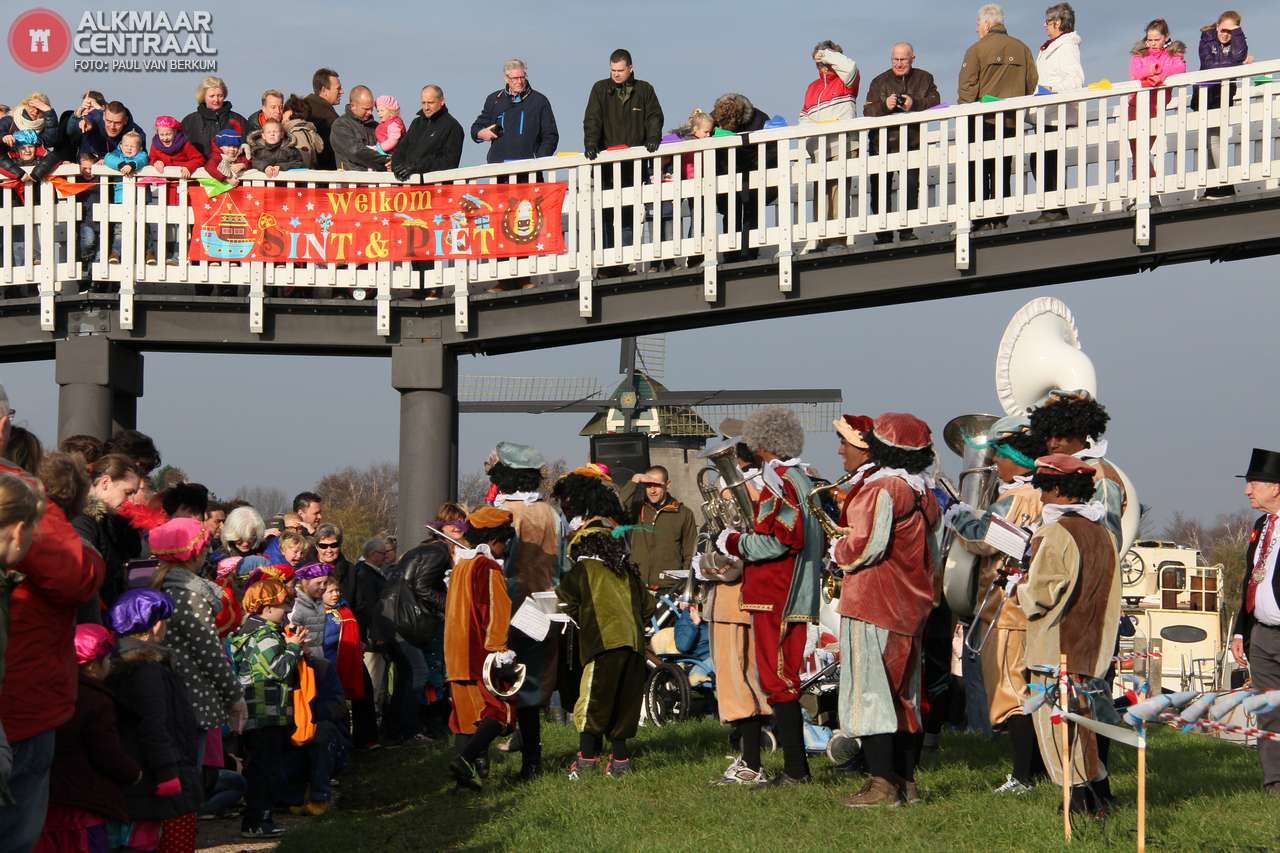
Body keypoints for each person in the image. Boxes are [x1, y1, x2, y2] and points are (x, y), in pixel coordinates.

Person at [829, 413, 942, 807]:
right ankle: (907, 783)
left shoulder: (883, 489)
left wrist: (837, 549)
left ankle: (881, 786)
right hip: (911, 606)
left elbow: (866, 546)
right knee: (904, 697)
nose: (843, 449)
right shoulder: (925, 492)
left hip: (875, 603)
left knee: (871, 695)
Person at [710, 407, 824, 786]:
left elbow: (781, 539)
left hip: (777, 593)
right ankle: (796, 767)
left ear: (763, 443)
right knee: (781, 678)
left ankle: (795, 770)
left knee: (778, 679)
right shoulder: (801, 478)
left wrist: (734, 541)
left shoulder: (782, 482)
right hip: (786, 589)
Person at [944, 416, 1046, 794]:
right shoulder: (1041, 493)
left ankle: (1023, 776)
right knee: (1028, 690)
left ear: (1017, 460)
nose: (995, 463)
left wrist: (962, 520)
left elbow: (987, 541)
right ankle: (1035, 770)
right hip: (1027, 607)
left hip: (1005, 607)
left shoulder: (1016, 498)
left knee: (1011, 691)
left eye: (1001, 456)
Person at [1018, 454, 1120, 819]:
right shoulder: (1102, 531)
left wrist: (1017, 584)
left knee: (1057, 729)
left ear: (1059, 489)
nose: (1040, 494)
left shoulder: (1055, 533)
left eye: (1044, 487)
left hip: (1055, 646)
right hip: (1094, 647)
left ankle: (1078, 804)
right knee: (1085, 725)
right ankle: (1097, 798)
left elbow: (1039, 596)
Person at [553, 467, 654, 779]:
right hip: (634, 644)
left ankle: (585, 760)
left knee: (593, 701)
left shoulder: (583, 570)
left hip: (603, 644)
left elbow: (563, 600)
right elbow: (648, 606)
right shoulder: (628, 572)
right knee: (625, 702)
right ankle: (620, 762)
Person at [485, 442, 564, 778]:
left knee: (495, 680)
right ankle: (533, 761)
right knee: (532, 684)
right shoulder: (551, 513)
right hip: (544, 606)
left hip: (506, 606)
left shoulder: (502, 514)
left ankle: (478, 757)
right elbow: (562, 565)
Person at [105, 588, 204, 852]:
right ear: (155, 625)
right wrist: (168, 773)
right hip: (161, 780)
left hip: (139, 777)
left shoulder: (115, 664)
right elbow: (155, 725)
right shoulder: (148, 670)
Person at [701, 440, 772, 785]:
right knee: (748, 680)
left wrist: (705, 564)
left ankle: (751, 765)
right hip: (741, 601)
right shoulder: (762, 493)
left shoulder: (743, 496)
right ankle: (750, 759)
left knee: (736, 683)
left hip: (733, 600)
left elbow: (732, 559)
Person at [35, 625, 141, 853]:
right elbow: (107, 751)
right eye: (106, 659)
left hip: (48, 801)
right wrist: (132, 772)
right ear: (93, 665)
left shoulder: (49, 692)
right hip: (84, 805)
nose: (110, 664)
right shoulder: (95, 701)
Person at [149, 517, 248, 755]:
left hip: (173, 694)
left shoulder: (161, 585)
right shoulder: (188, 594)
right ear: (193, 552)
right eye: (204, 546)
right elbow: (210, 653)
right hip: (191, 698)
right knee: (190, 775)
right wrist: (235, 697)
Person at [444, 507, 520, 790]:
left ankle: (463, 783)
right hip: (480, 654)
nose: (504, 548)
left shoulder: (461, 565)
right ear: (492, 540)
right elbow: (497, 611)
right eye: (503, 541)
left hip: (455, 654)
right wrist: (500, 649)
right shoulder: (488, 567)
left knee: (465, 720)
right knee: (502, 712)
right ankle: (465, 759)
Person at [230, 579, 306, 838]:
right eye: (282, 604)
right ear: (266, 606)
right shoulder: (264, 633)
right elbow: (279, 669)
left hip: (258, 711)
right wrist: (295, 647)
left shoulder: (249, 629)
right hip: (265, 710)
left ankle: (260, 819)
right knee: (265, 769)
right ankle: (257, 821)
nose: (286, 609)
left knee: (262, 767)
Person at [958, 4, 1039, 230]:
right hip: (1011, 121)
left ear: (986, 24)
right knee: (1002, 168)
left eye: (977, 24)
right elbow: (1033, 85)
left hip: (982, 120)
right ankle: (1001, 218)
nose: (977, 29)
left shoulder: (976, 50)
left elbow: (966, 90)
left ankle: (982, 219)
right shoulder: (1022, 48)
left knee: (979, 169)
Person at [582, 49, 664, 271]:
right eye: (612, 70)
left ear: (630, 68)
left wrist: (653, 138)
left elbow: (654, 116)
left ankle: (626, 262)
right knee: (606, 213)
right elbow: (592, 119)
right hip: (606, 165)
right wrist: (590, 144)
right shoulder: (600, 89)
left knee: (629, 213)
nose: (616, 74)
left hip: (633, 164)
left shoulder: (644, 90)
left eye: (620, 70)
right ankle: (609, 264)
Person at [1230, 448, 1280, 794]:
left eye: (1254, 483)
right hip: (1261, 635)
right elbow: (1250, 578)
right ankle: (1274, 783)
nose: (1248, 490)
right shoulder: (1261, 525)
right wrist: (1239, 631)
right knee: (1268, 710)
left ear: (1276, 486)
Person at [1027, 389, 1126, 547]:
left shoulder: (1101, 475)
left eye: (1061, 436)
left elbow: (1109, 541)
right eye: (1048, 436)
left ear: (1082, 432)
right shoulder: (1056, 470)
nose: (1053, 444)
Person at [863, 42, 941, 242]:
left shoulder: (924, 78)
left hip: (912, 143)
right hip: (881, 146)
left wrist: (913, 103)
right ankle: (884, 234)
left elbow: (936, 100)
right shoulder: (879, 82)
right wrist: (885, 105)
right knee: (880, 192)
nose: (898, 64)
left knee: (911, 187)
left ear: (912, 59)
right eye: (895, 60)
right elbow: (867, 111)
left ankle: (907, 231)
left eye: (903, 60)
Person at [800, 39, 860, 250]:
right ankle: (821, 239)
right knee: (821, 194)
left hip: (843, 145)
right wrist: (810, 144)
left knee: (838, 191)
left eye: (826, 60)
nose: (822, 66)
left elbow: (850, 66)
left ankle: (838, 240)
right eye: (818, 62)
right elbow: (805, 118)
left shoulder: (846, 80)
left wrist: (825, 54)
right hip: (819, 149)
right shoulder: (812, 88)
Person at [1032, 4, 1085, 222]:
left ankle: (1055, 209)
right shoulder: (1052, 46)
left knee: (1046, 159)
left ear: (1059, 23)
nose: (1044, 25)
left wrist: (1051, 91)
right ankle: (1053, 208)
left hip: (1056, 113)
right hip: (1047, 112)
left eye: (1048, 21)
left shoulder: (1066, 46)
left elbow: (1075, 80)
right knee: (1042, 158)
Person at [71, 453, 141, 612]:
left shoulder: (116, 523)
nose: (131, 501)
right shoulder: (83, 521)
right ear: (105, 482)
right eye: (128, 492)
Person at [1197, 10, 1253, 199]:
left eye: (1231, 31)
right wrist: (1237, 65)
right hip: (1206, 96)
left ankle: (1219, 186)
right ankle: (1219, 184)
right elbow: (1209, 64)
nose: (1225, 34)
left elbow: (1239, 53)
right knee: (1210, 140)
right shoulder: (1207, 38)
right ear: (1217, 25)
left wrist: (1238, 33)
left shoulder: (1235, 40)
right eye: (1223, 29)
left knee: (1216, 139)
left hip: (1224, 96)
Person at [619, 466, 698, 590]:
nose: (652, 490)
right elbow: (616, 507)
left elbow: (691, 553)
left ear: (668, 484)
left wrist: (685, 587)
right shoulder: (636, 509)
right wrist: (635, 480)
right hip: (637, 585)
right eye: (648, 485)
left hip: (670, 588)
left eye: (657, 485)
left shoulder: (684, 513)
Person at [1127, 19, 1186, 184]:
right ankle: (1142, 193)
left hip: (1156, 107)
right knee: (1138, 152)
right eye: (1149, 40)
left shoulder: (1173, 54)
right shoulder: (1140, 53)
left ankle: (1146, 192)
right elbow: (1135, 72)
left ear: (1166, 37)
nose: (1152, 43)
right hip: (1136, 106)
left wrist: (1159, 76)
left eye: (1156, 39)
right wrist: (1150, 71)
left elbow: (1180, 68)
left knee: (1143, 150)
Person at [471, 59, 559, 164]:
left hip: (529, 169)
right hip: (499, 169)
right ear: (506, 78)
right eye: (515, 78)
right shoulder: (494, 100)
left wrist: (539, 160)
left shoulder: (539, 101)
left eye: (522, 77)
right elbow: (476, 128)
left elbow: (550, 136)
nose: (519, 81)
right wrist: (481, 133)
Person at [147, 115, 204, 263]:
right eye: (162, 134)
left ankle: (182, 253)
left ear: (174, 132)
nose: (165, 138)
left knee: (183, 221)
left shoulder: (184, 143)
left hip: (184, 189)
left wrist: (188, 167)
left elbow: (198, 158)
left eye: (168, 134)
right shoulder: (155, 145)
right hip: (167, 190)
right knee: (168, 222)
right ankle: (169, 253)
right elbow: (151, 158)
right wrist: (156, 162)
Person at [391, 86, 464, 181]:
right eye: (423, 103)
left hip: (435, 188)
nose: (426, 107)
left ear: (442, 101)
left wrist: (415, 168)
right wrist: (398, 168)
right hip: (407, 187)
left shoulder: (453, 127)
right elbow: (400, 150)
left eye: (430, 103)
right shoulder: (416, 123)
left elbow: (449, 162)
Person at [180, 76, 248, 159]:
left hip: (232, 169)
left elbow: (250, 148)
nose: (216, 100)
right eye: (212, 96)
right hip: (199, 170)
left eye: (220, 95)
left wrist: (242, 163)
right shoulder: (190, 121)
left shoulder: (238, 120)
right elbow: (176, 148)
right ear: (203, 97)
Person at [330, 86, 388, 173]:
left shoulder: (376, 126)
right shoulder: (340, 125)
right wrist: (385, 160)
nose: (370, 112)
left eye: (371, 108)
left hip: (378, 182)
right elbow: (356, 152)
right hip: (353, 183)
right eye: (366, 109)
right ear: (353, 106)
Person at [67, 101, 146, 159]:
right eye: (109, 121)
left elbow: (143, 157)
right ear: (104, 116)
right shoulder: (95, 118)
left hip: (120, 175)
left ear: (125, 120)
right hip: (89, 171)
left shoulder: (137, 134)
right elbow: (70, 131)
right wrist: (78, 120)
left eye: (117, 123)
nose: (112, 127)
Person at [290, 562, 331, 660]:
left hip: (318, 652)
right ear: (304, 582)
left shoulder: (319, 601)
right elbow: (290, 632)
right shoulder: (296, 605)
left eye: (325, 583)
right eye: (318, 583)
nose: (322, 587)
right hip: (302, 655)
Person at [304, 68, 342, 170]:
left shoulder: (301, 106)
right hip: (325, 175)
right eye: (338, 89)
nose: (341, 92)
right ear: (324, 90)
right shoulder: (329, 116)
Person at [280, 96, 325, 169]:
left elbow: (304, 160)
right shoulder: (307, 131)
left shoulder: (297, 132)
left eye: (283, 112)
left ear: (289, 113)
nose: (281, 116)